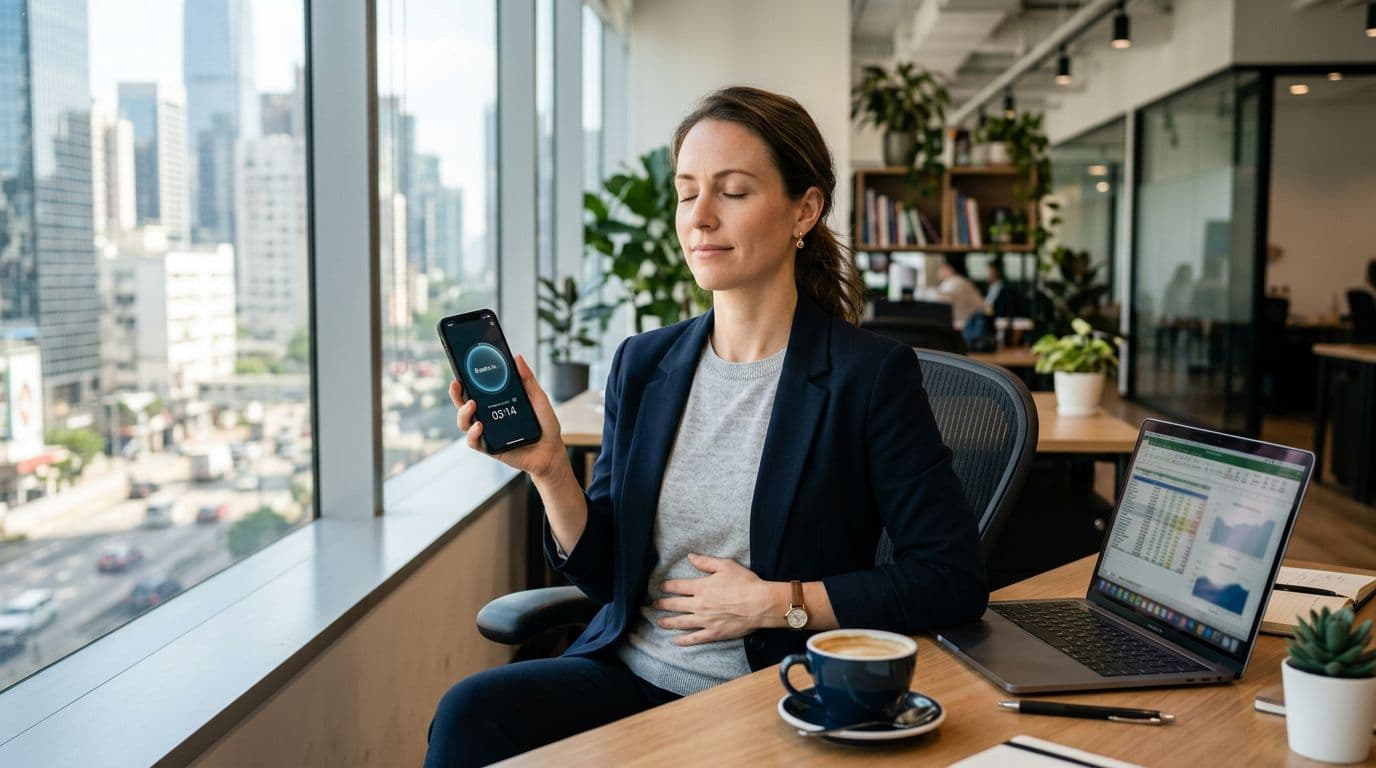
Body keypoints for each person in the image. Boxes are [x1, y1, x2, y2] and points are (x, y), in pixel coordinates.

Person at [424, 86, 987, 768]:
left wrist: (777, 604)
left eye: (735, 192)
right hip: (627, 677)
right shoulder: (645, 363)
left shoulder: (868, 377)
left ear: (803, 210)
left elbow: (951, 577)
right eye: (688, 193)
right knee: (471, 714)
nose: (702, 218)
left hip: (767, 695)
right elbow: (608, 576)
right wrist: (549, 468)